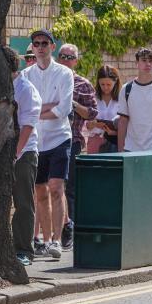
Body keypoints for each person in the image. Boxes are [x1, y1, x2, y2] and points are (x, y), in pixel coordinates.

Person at [22, 29, 73, 261]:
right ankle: (42, 240)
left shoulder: (64, 73)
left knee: (56, 187)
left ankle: (56, 240)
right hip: (35, 141)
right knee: (39, 192)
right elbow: (24, 110)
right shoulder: (26, 75)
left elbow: (63, 110)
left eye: (44, 43)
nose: (40, 47)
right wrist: (44, 108)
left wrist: (36, 111)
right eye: (36, 43)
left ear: (52, 46)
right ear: (32, 47)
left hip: (59, 137)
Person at [57, 43, 95, 250]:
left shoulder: (83, 84)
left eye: (69, 57)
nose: (65, 60)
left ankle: (68, 228)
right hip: (49, 138)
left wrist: (72, 103)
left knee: (68, 186)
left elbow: (91, 114)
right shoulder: (51, 79)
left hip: (73, 139)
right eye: (62, 56)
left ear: (76, 61)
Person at [6, 45, 41, 267]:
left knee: (23, 202)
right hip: (2, 152)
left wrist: (15, 155)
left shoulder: (26, 90)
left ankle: (24, 250)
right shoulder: (1, 87)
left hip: (24, 153)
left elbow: (27, 127)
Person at [90, 65, 120, 153]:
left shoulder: (122, 97)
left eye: (109, 84)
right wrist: (94, 124)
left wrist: (114, 132)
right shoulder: (92, 97)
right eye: (102, 84)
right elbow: (85, 124)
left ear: (116, 82)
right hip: (95, 141)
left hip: (115, 141)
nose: (105, 87)